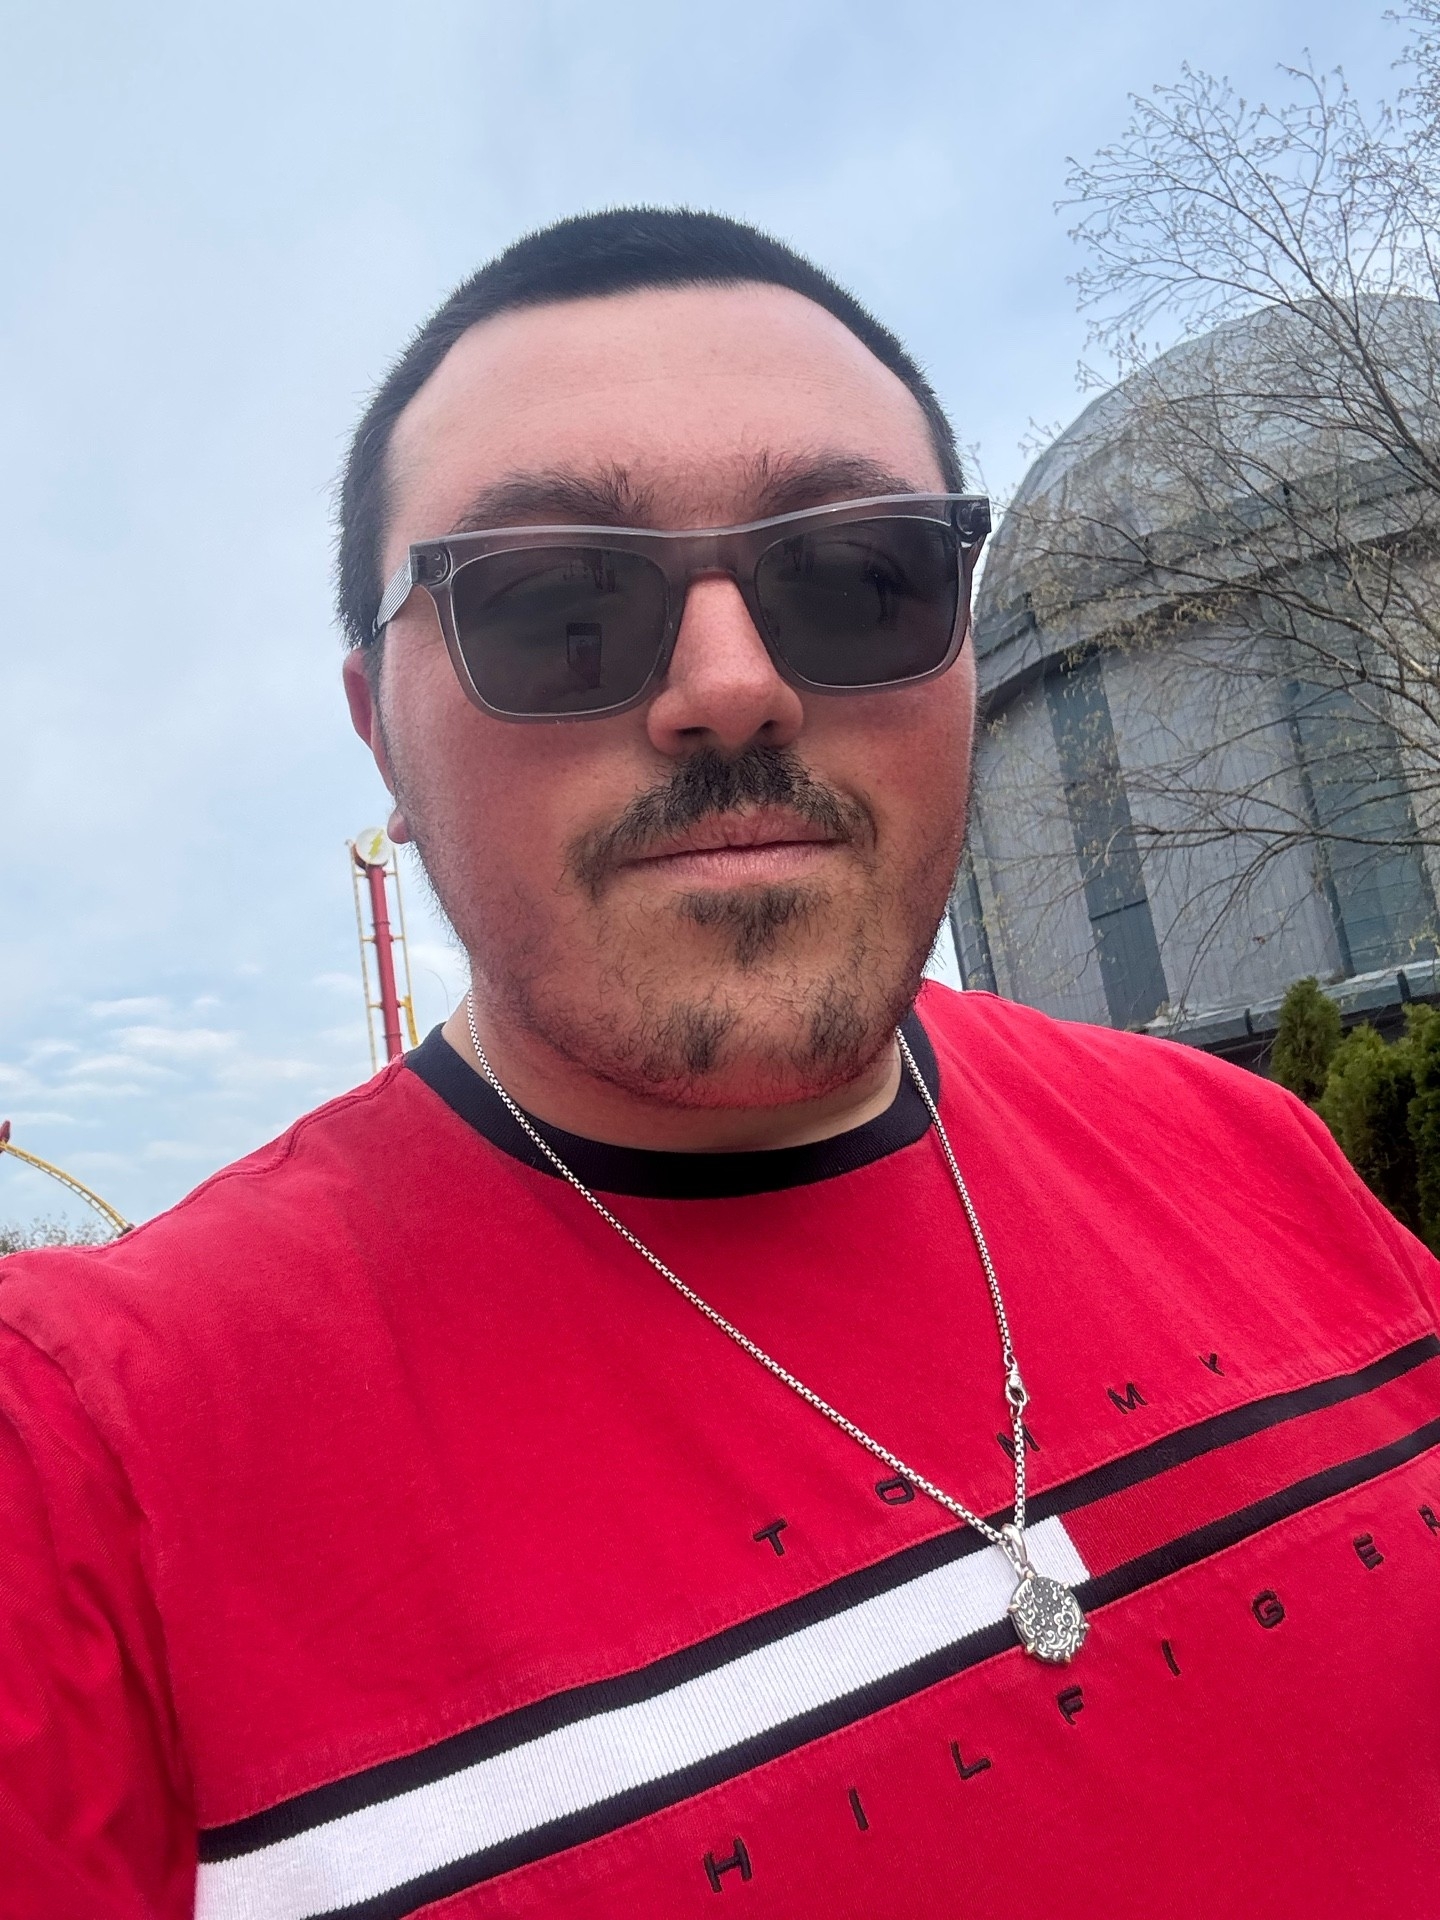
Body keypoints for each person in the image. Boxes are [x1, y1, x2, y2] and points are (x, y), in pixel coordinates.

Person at [2, 208, 1437, 1920]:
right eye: (555, 605)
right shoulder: (83, 1461)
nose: (734, 686)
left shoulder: (1250, 1148)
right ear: (379, 732)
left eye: (858, 577)